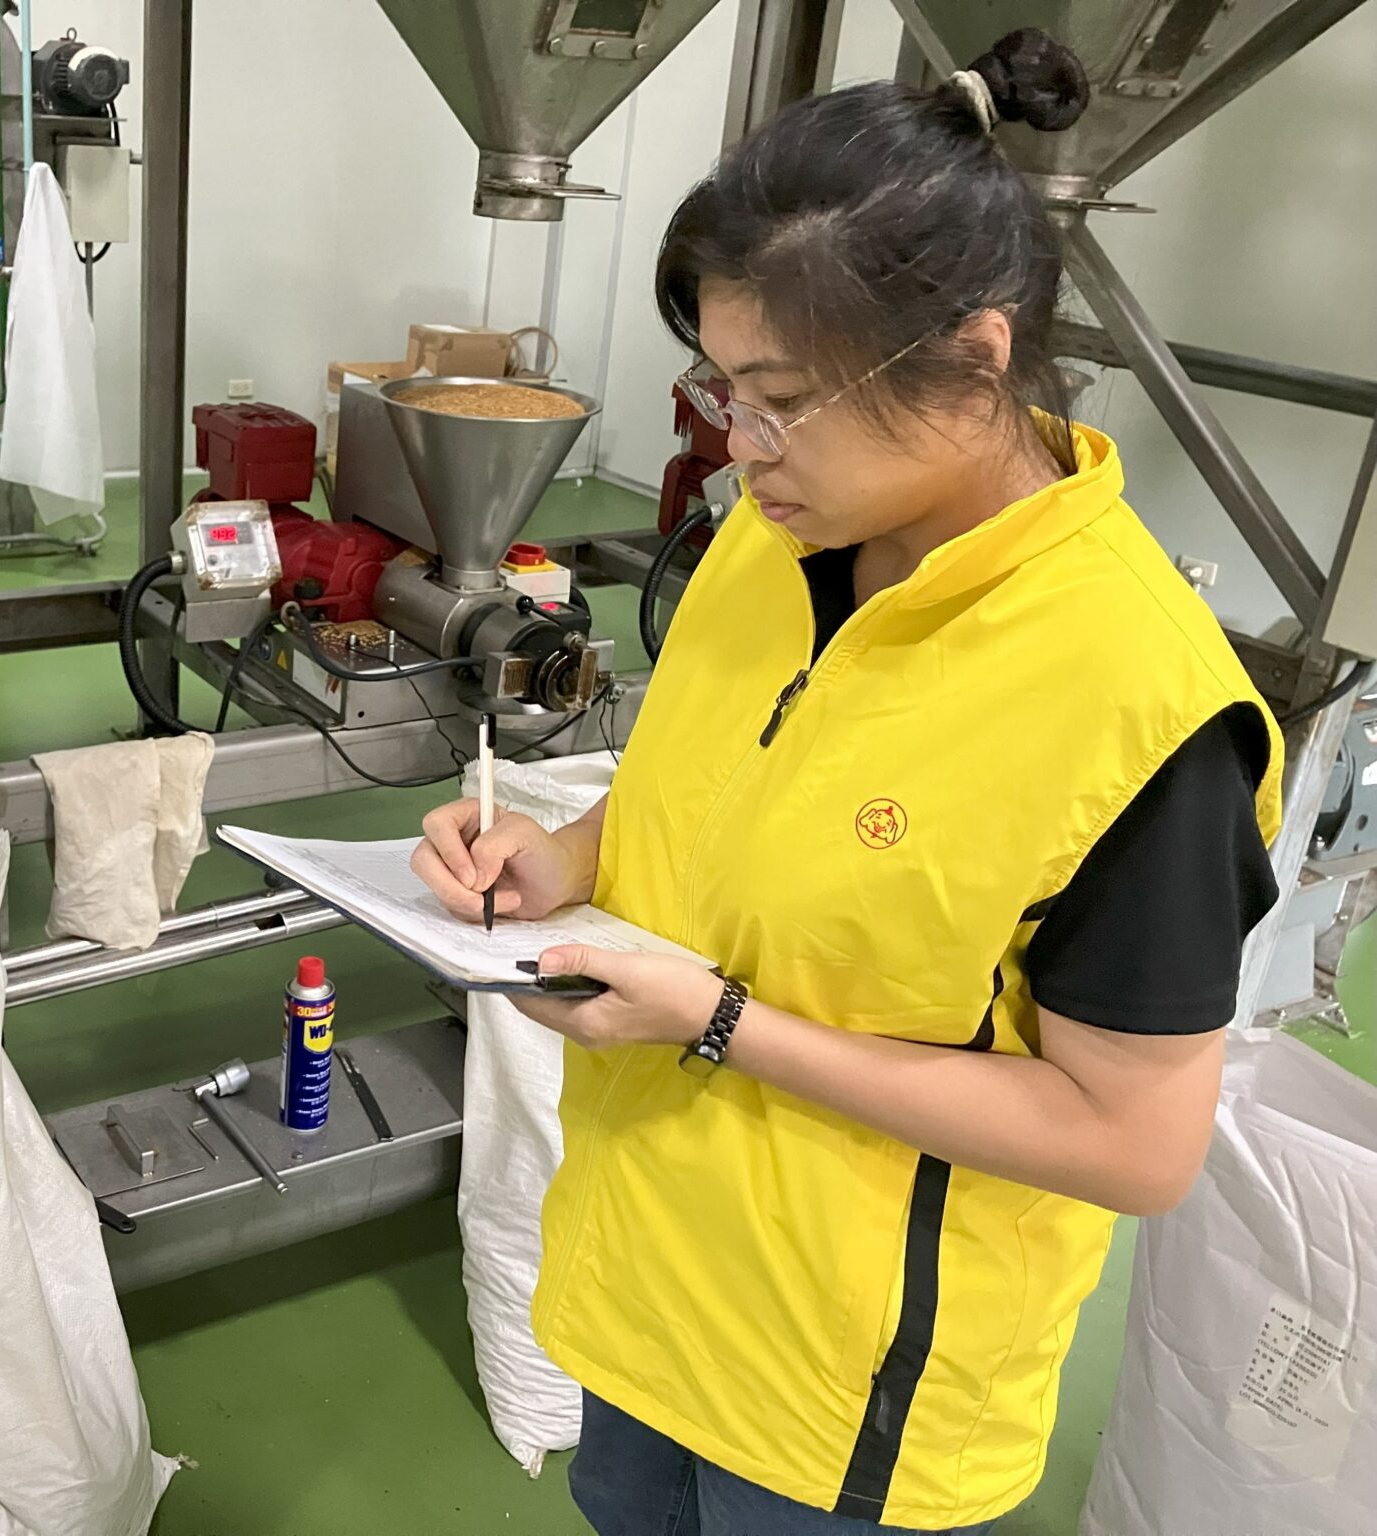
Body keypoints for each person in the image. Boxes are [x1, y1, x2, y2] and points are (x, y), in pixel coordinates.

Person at [411, 28, 1285, 1536]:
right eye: (720, 391)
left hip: (848, 1389)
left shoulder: (1141, 708)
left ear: (976, 359)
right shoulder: (778, 539)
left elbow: (1132, 1142)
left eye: (782, 400)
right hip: (650, 1275)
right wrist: (569, 856)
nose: (742, 449)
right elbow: (741, 784)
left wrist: (724, 1026)